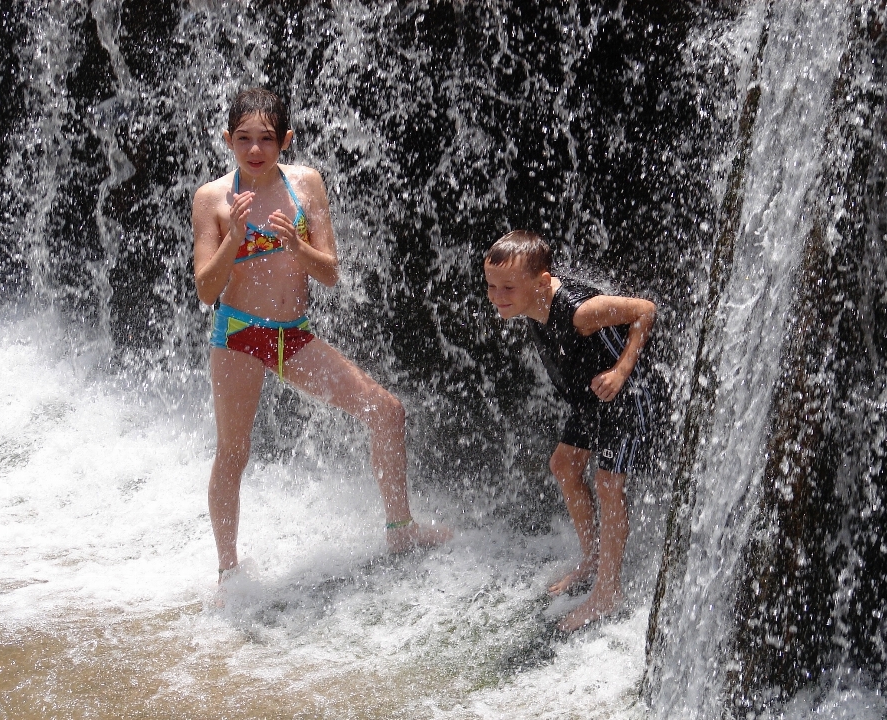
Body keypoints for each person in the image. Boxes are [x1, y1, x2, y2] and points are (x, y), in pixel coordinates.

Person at [192, 88, 450, 584]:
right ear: (227, 140)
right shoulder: (212, 199)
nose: (254, 150)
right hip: (239, 336)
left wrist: (295, 243)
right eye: (243, 139)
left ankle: (401, 528)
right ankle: (228, 570)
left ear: (285, 140)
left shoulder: (307, 185)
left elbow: (329, 273)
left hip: (293, 336)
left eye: (266, 139)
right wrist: (235, 236)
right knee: (233, 451)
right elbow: (206, 289)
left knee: (386, 411)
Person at [483, 230, 655, 632]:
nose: (496, 295)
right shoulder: (529, 305)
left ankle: (607, 591)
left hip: (626, 396)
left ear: (542, 282)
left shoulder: (579, 312)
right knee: (563, 465)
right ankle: (592, 559)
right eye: (491, 285)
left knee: (608, 483)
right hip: (591, 400)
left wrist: (621, 370)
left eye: (507, 287)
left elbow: (645, 310)